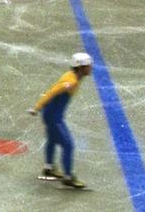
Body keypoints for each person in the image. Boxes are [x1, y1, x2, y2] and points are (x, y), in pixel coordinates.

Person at [27, 52, 93, 188]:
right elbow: (52, 92)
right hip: (54, 117)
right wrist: (37, 107)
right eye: (88, 65)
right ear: (80, 68)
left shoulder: (73, 76)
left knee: (52, 140)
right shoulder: (70, 82)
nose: (90, 68)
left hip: (51, 115)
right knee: (68, 144)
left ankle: (49, 167)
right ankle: (68, 177)